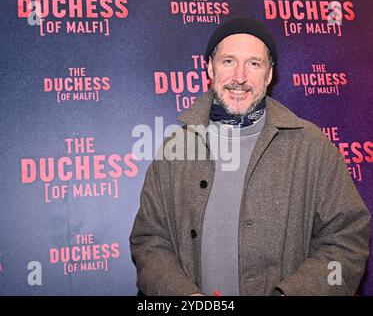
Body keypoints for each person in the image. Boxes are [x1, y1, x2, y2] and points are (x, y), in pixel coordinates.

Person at [129, 17, 370, 296]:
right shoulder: (175, 148)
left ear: (269, 75)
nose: (240, 77)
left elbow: (348, 241)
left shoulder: (312, 147)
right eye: (229, 61)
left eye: (254, 64)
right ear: (209, 67)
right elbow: (150, 240)